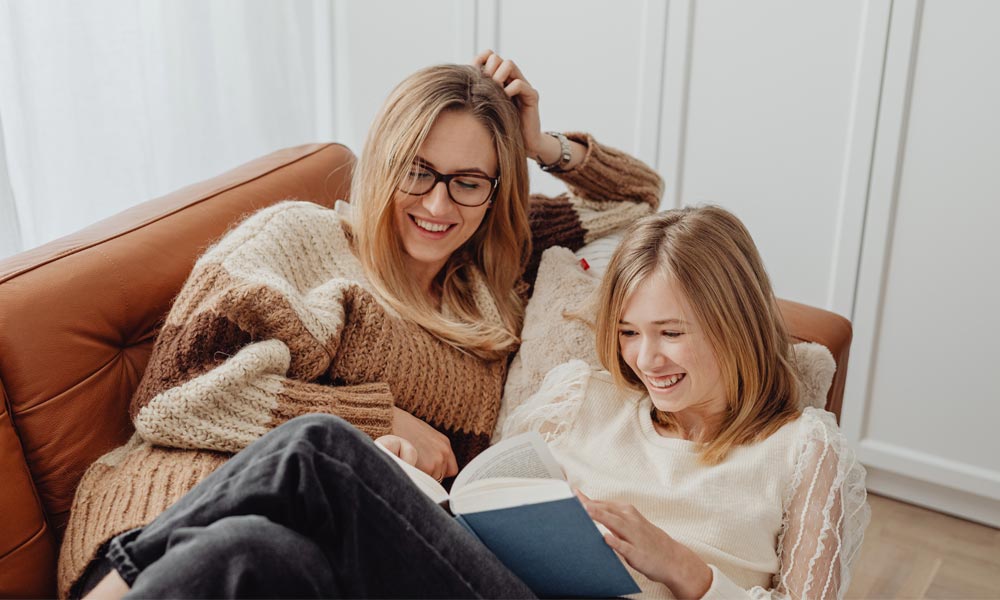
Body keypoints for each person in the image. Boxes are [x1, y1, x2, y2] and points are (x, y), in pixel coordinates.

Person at [59, 49, 662, 599]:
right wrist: (377, 421)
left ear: (494, 189)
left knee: (258, 554)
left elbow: (638, 197)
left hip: (326, 553)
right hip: (167, 518)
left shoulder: (493, 279)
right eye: (416, 171)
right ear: (383, 162)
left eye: (468, 182)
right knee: (314, 453)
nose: (437, 205)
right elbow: (174, 393)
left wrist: (539, 143)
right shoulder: (302, 239)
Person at [498, 206, 870, 599]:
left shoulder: (801, 450)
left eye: (671, 332)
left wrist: (680, 566)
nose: (645, 360)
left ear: (737, 325)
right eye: (628, 332)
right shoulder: (576, 397)